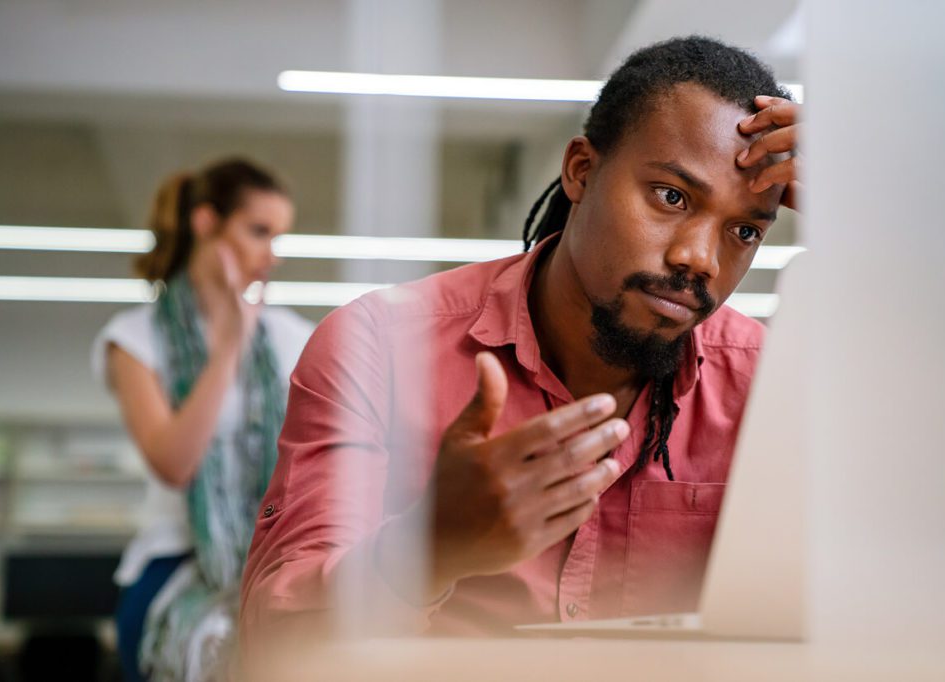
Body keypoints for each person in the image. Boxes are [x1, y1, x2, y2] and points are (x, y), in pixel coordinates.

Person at [240, 36, 801, 657]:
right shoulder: (378, 351)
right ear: (581, 171)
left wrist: (874, 222)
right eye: (671, 197)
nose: (698, 258)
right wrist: (424, 557)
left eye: (744, 230)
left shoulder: (770, 386)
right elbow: (273, 643)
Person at [91, 158, 313, 681]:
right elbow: (175, 463)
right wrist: (229, 347)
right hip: (173, 561)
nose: (271, 255)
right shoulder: (134, 339)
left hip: (274, 563)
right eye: (258, 231)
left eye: (279, 237)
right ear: (206, 222)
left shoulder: (290, 335)